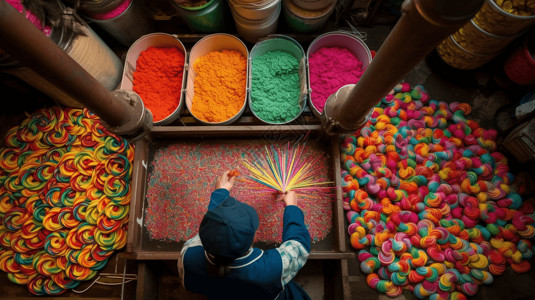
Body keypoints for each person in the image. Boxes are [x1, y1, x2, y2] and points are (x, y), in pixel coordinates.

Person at [178, 170, 311, 300]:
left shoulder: (188, 259)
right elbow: (298, 245)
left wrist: (221, 195)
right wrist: (292, 207)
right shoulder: (272, 269)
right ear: (254, 237)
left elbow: (212, 231)